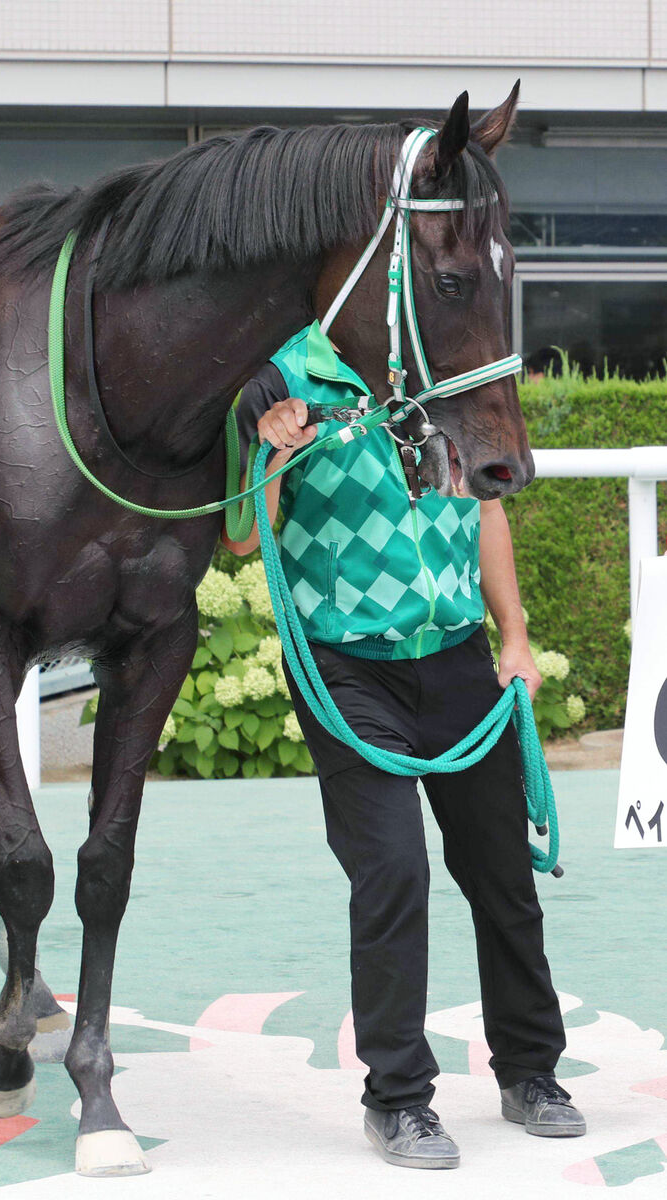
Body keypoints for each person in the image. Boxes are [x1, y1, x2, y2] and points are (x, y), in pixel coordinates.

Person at [223, 321, 585, 1170]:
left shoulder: (444, 364)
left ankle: (531, 1073)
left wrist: (515, 636)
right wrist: (273, 449)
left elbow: (482, 508)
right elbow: (243, 536)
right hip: (348, 669)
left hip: (459, 662)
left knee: (502, 874)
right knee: (392, 873)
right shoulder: (283, 374)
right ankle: (399, 1101)